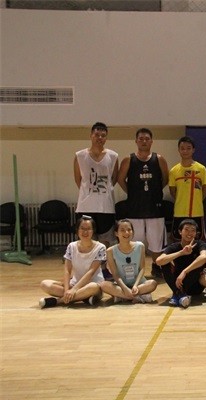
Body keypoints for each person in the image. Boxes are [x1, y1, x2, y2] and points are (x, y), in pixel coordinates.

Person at [117, 128, 169, 278]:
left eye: (147, 139)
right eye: (141, 139)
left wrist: (155, 192)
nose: (144, 141)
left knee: (156, 242)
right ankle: (134, 269)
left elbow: (165, 179)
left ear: (151, 141)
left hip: (155, 208)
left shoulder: (159, 159)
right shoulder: (128, 159)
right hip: (135, 209)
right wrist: (132, 193)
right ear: (136, 141)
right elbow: (120, 179)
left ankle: (157, 266)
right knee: (134, 242)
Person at [74, 122, 118, 279]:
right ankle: (86, 270)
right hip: (85, 206)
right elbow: (78, 180)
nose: (100, 138)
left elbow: (114, 179)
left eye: (103, 135)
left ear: (106, 137)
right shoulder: (80, 155)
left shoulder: (113, 156)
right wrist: (89, 193)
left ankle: (104, 269)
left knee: (105, 241)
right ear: (91, 135)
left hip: (105, 206)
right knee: (87, 240)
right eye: (97, 134)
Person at [39, 216, 105, 308]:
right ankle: (83, 297)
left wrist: (74, 289)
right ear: (77, 230)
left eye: (88, 229)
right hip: (74, 283)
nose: (85, 232)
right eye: (82, 228)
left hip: (93, 284)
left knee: (93, 287)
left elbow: (91, 271)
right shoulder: (71, 246)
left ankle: (58, 301)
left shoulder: (100, 247)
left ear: (93, 230)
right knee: (45, 284)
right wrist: (67, 290)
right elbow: (67, 270)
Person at [155, 219, 206, 308]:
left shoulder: (199, 244)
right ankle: (181, 294)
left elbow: (204, 257)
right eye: (186, 229)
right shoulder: (174, 246)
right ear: (180, 231)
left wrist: (184, 271)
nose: (190, 233)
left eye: (193, 230)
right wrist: (181, 253)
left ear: (196, 233)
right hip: (179, 283)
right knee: (165, 264)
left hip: (195, 284)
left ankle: (177, 294)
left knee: (199, 264)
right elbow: (158, 261)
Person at [100, 219, 158, 304]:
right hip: (121, 284)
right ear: (116, 233)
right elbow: (115, 274)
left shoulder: (140, 246)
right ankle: (137, 296)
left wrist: (135, 285)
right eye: (122, 230)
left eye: (129, 230)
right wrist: (124, 288)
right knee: (103, 285)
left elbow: (142, 269)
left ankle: (122, 296)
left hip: (139, 284)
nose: (126, 233)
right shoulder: (110, 251)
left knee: (153, 283)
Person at [169, 136, 206, 241]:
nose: (185, 151)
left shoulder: (201, 168)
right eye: (182, 148)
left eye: (188, 148)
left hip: (197, 211)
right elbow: (172, 190)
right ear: (178, 150)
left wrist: (198, 200)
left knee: (197, 240)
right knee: (179, 240)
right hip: (179, 211)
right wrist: (181, 199)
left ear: (193, 150)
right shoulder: (174, 171)